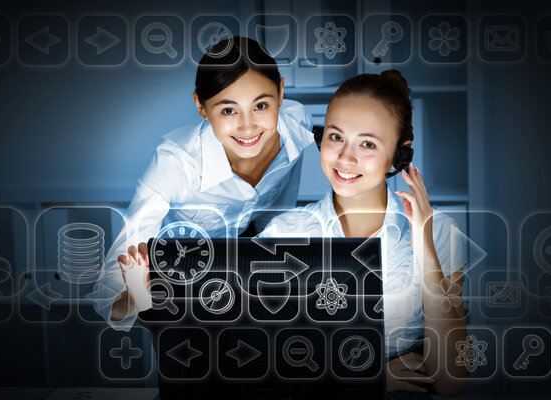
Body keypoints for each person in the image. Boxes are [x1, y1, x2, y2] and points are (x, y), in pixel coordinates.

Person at [260, 71, 469, 397]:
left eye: (368, 143)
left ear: (400, 154)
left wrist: (424, 247)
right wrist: (366, 378)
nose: (345, 157)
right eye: (336, 137)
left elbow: (452, 380)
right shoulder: (283, 233)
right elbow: (261, 363)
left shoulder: (441, 233)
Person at [93, 36, 314, 330]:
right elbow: (106, 294)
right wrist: (136, 298)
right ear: (201, 106)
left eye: (260, 105)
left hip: (251, 263)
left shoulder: (297, 125)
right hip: (183, 277)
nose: (248, 127)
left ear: (281, 92)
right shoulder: (175, 164)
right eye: (228, 110)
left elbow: (279, 209)